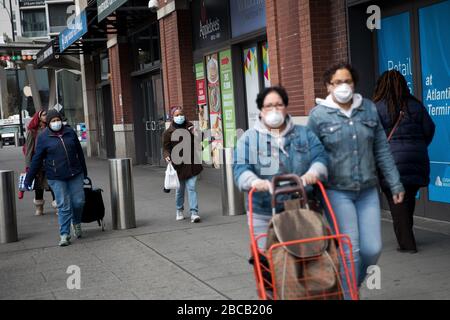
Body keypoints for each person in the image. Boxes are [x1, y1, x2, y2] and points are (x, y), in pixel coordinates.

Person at [307, 63, 405, 297]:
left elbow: (381, 148)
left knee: (372, 248)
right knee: (351, 249)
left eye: (347, 81)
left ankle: (348, 285)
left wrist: (395, 182)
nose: (343, 87)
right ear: (328, 86)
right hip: (336, 191)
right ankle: (351, 294)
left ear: (354, 83)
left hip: (367, 190)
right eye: (337, 82)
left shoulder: (368, 109)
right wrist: (309, 190)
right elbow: (310, 153)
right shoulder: (318, 116)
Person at [233, 86, 328, 250]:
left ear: (286, 108)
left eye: (279, 105)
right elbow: (240, 168)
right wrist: (254, 182)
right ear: (261, 110)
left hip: (303, 207)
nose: (274, 110)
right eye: (269, 106)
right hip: (263, 212)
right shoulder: (248, 139)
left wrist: (314, 172)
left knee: (308, 259)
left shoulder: (304, 133)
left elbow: (320, 157)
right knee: (269, 261)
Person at [373, 70, 435, 254]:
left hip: (390, 161)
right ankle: (407, 233)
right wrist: (418, 145)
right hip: (416, 158)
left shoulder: (377, 108)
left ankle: (407, 244)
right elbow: (429, 129)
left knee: (397, 201)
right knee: (407, 196)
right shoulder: (415, 105)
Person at [24, 110, 88, 247]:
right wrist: (29, 178)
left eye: (57, 120)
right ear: (48, 123)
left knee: (79, 202)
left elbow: (79, 153)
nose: (56, 123)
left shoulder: (70, 132)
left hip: (75, 173)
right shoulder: (43, 137)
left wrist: (84, 171)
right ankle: (64, 234)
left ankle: (76, 222)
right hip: (56, 176)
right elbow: (37, 158)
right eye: (52, 121)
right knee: (63, 205)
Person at [163, 107, 203, 223]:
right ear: (172, 117)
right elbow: (165, 148)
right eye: (176, 115)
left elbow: (198, 143)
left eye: (181, 114)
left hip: (191, 163)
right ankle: (179, 210)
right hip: (178, 165)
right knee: (180, 190)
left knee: (191, 187)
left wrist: (194, 134)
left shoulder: (190, 127)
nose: (179, 117)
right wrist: (166, 155)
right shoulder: (168, 133)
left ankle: (194, 213)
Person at [24, 109, 57, 216]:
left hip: (50, 162)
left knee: (53, 185)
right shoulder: (32, 132)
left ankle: (57, 206)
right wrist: (28, 166)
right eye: (44, 114)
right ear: (38, 117)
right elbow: (28, 151)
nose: (46, 116)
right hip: (37, 164)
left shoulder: (51, 129)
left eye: (47, 114)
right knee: (38, 187)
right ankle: (39, 207)